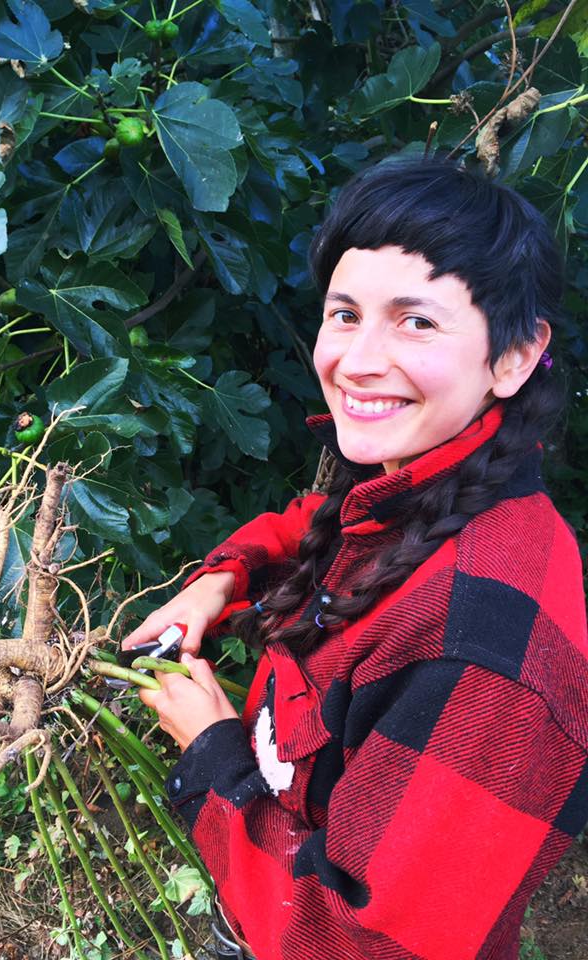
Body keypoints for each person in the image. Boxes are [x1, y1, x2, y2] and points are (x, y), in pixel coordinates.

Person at [122, 160, 588, 960]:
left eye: (417, 322)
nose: (358, 360)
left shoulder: (482, 657)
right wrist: (221, 581)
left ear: (514, 357)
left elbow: (360, 946)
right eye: (344, 314)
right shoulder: (438, 480)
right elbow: (319, 524)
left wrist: (211, 752)